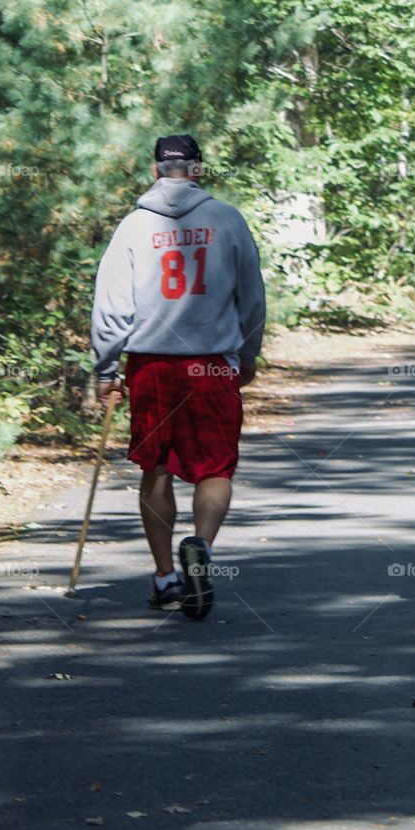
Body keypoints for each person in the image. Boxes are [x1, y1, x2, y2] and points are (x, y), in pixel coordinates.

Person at [90, 134, 265, 620]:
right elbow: (251, 296)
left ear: (154, 171)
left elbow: (111, 305)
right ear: (198, 170)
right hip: (211, 362)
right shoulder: (227, 220)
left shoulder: (132, 227)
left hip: (151, 364)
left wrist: (106, 368)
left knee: (157, 466)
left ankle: (166, 575)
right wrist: (248, 352)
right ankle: (202, 548)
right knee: (215, 468)